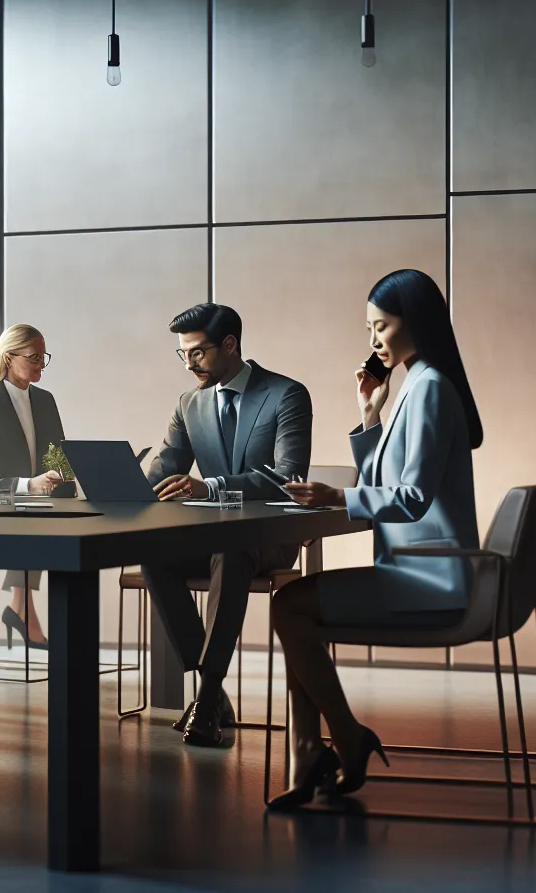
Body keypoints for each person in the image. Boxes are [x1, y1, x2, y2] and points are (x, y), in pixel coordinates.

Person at [269, 268, 483, 809]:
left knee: (291, 606)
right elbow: (386, 485)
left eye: (381, 326)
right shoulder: (417, 383)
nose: (373, 341)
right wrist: (370, 417)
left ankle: (335, 740)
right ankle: (313, 750)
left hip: (430, 578)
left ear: (415, 322)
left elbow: (410, 498)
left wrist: (337, 499)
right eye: (370, 328)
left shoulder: (431, 387)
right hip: (418, 569)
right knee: (295, 607)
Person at [143, 303, 312, 749]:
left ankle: (205, 695)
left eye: (197, 353)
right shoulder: (189, 404)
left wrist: (211, 486)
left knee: (232, 550)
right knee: (152, 553)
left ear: (231, 345)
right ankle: (211, 691)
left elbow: (289, 476)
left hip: (266, 538)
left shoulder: (286, 394)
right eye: (183, 355)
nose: (189, 364)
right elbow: (165, 470)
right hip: (214, 537)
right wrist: (116, 481)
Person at [0, 324, 66, 648]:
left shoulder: (45, 400)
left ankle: (20, 608)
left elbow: (58, 457)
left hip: (37, 506)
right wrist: (29, 485)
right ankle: (22, 610)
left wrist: (60, 476)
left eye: (43, 357)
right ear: (9, 358)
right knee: (32, 516)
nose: (40, 364)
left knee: (51, 517)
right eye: (33, 357)